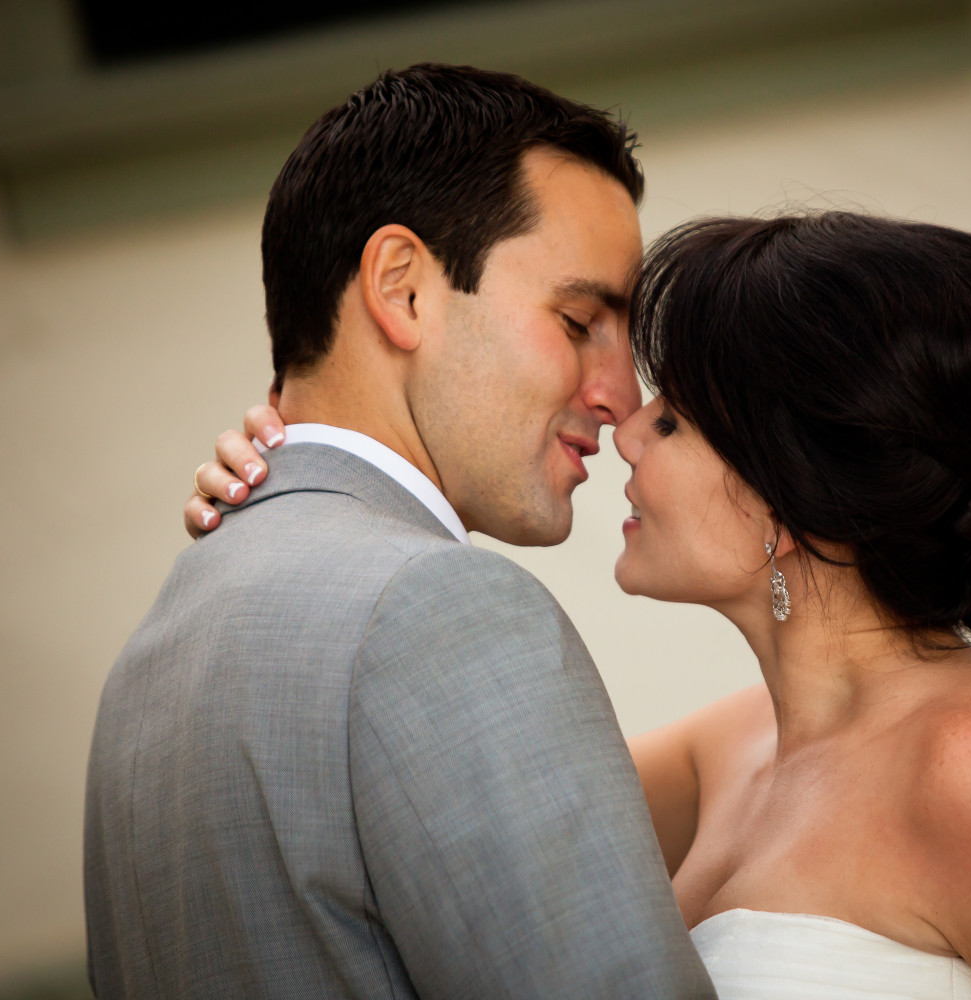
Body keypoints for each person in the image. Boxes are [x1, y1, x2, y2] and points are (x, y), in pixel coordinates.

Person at [196, 213, 971, 999]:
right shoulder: (724, 750)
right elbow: (415, 804)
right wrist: (308, 468)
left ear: (789, 485)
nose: (620, 433)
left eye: (673, 418)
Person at [86, 64, 716, 999]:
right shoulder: (439, 612)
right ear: (403, 288)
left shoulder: (155, 651)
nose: (621, 394)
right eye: (581, 319)